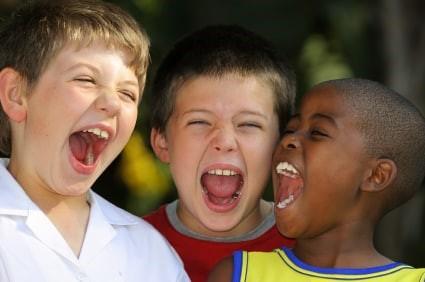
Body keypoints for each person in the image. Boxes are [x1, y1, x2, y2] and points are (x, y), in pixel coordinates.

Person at [0, 1, 188, 281]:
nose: (112, 103)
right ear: (16, 94)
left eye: (128, 94)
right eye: (86, 80)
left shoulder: (151, 253)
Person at [208, 78, 425, 281]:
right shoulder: (237, 274)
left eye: (318, 133)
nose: (289, 140)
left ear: (377, 176)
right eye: (290, 129)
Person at [144, 24, 296, 282]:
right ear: (162, 144)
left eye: (249, 124)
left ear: (280, 147)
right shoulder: (125, 249)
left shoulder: (315, 254)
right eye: (199, 122)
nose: (224, 141)